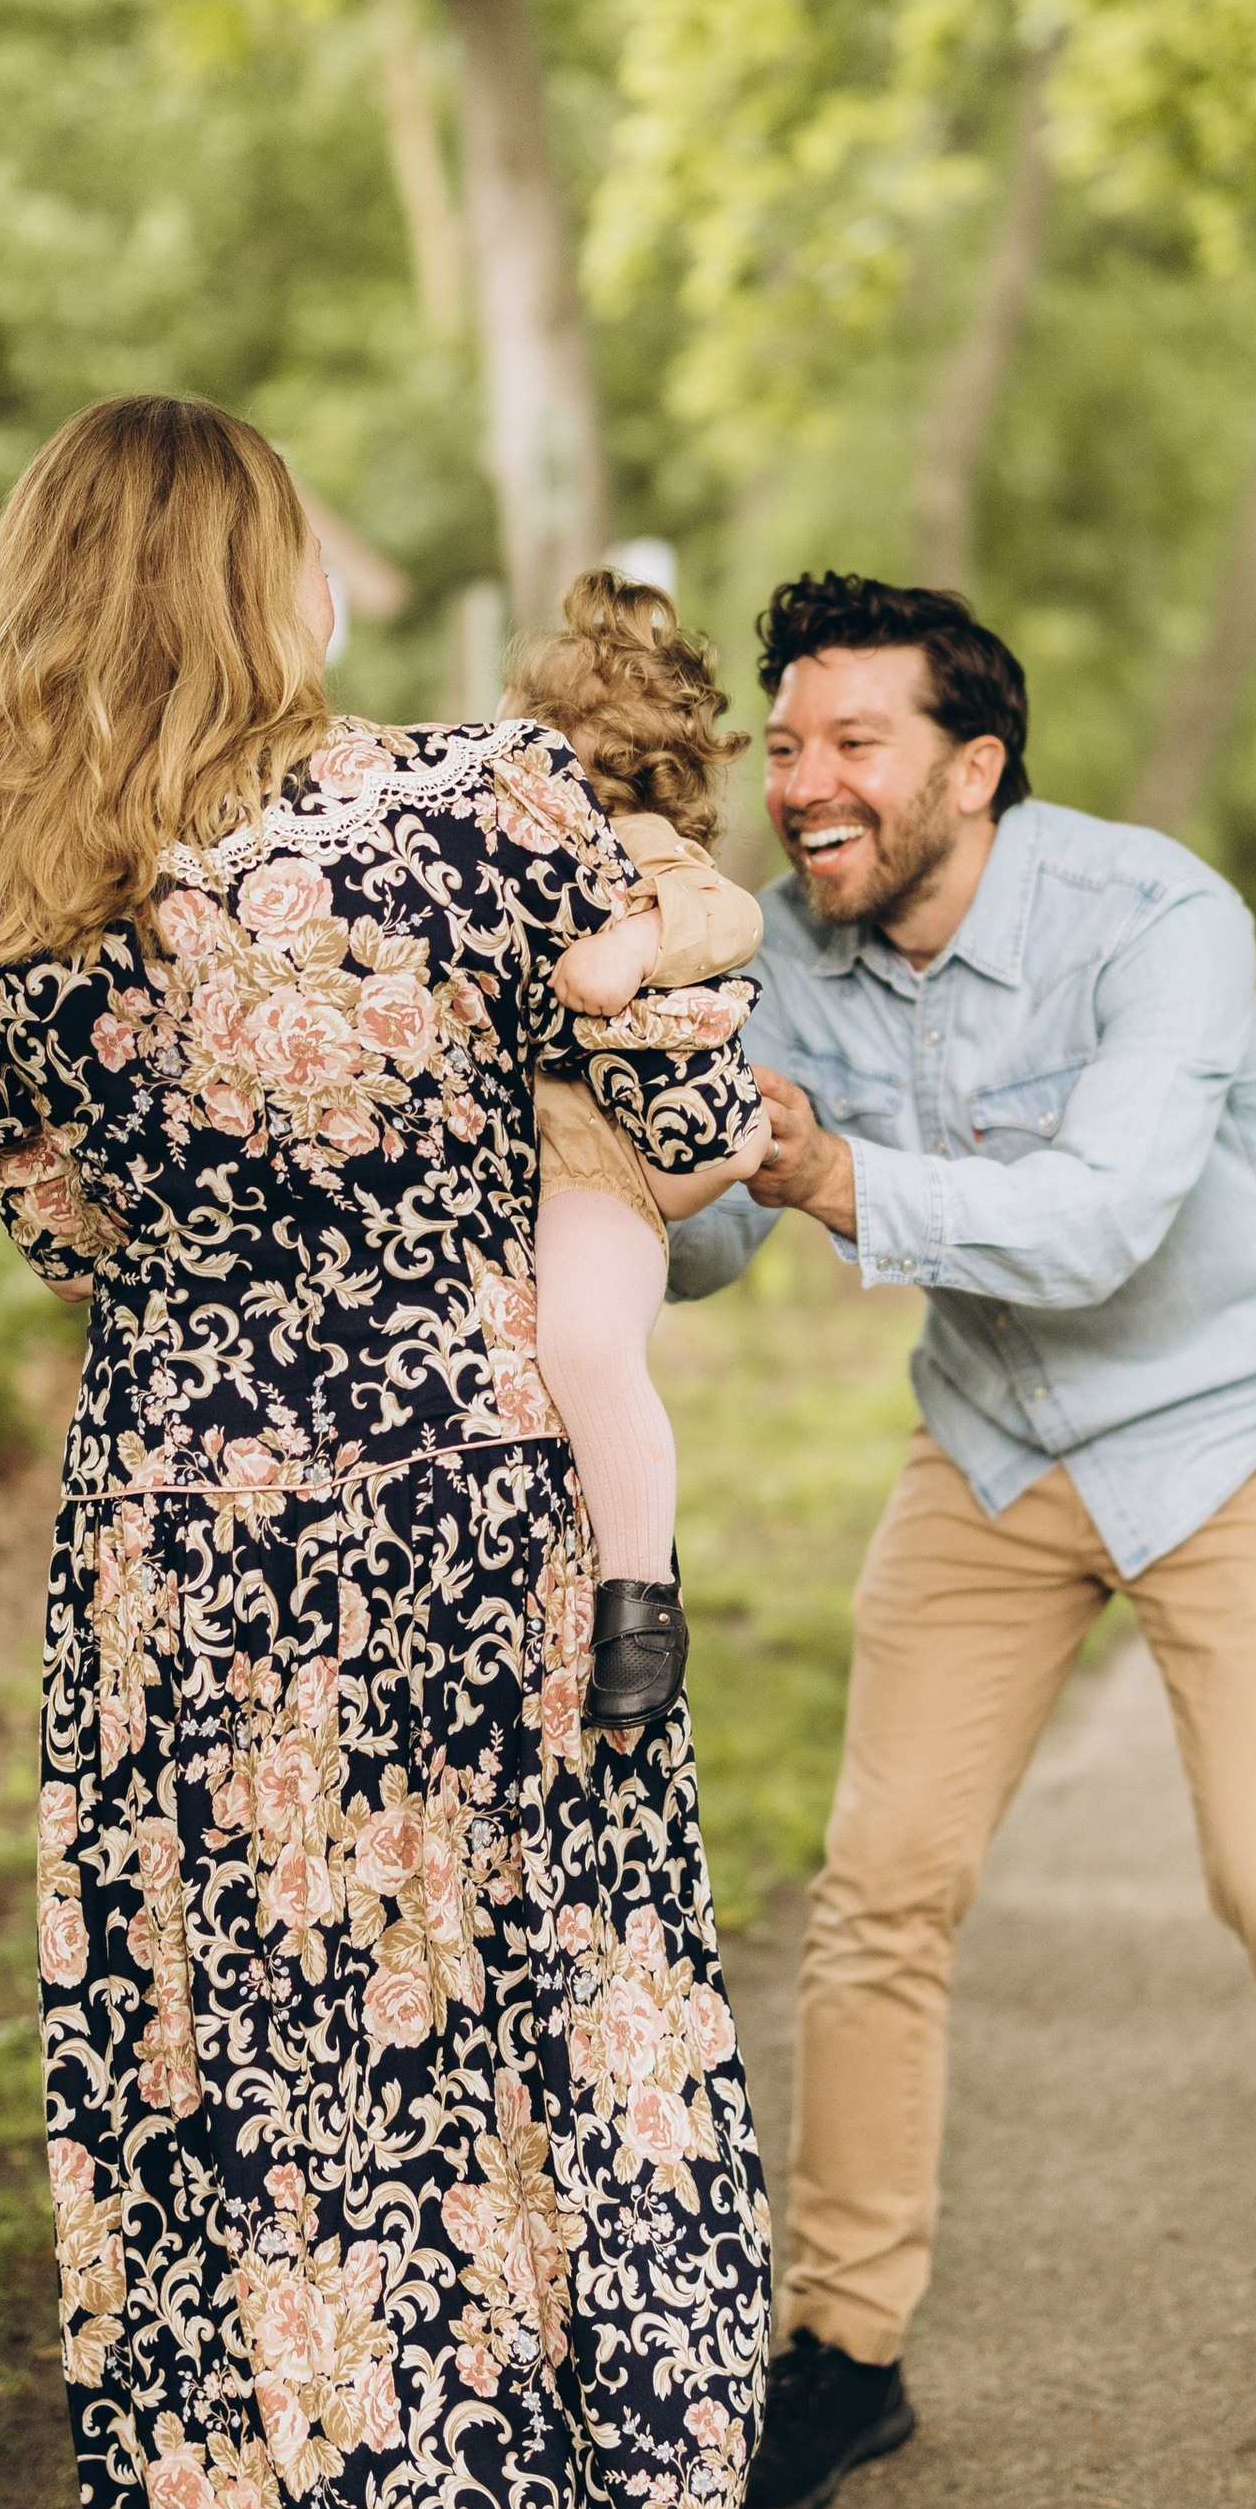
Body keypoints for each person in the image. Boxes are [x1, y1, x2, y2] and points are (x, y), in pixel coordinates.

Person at [0, 397, 773, 2509]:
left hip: (186, 1550)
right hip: (473, 1516)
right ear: (275, 576)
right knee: (489, 2031)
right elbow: (686, 1126)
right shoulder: (480, 806)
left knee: (240, 2073)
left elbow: (42, 1213)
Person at [665, 571, 1256, 2509]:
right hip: (999, 1447)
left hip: (1236, 1426)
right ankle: (842, 2348)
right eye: (787, 744)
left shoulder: (1157, 917)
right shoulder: (785, 951)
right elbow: (708, 1244)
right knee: (879, 1891)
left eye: (856, 742)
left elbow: (1096, 1225)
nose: (804, 783)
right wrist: (636, 1122)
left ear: (972, 766)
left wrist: (830, 1171)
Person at [504, 569, 769, 1730]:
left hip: (596, 1173)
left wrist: (637, 941)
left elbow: (724, 912)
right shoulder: (495, 845)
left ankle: (640, 1598)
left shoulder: (639, 852)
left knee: (588, 1342)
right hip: (506, 1165)